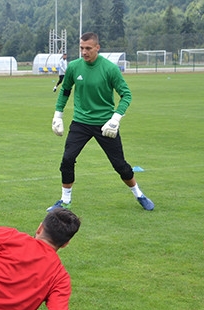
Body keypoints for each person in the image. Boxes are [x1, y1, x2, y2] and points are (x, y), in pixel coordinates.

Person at [49, 32, 154, 212]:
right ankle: (65, 201)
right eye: (81, 48)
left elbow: (126, 95)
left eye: (88, 48)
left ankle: (139, 194)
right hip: (80, 122)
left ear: (98, 48)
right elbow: (65, 90)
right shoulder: (74, 67)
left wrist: (115, 118)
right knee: (67, 159)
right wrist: (57, 115)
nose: (84, 52)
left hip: (105, 124)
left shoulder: (110, 69)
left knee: (120, 165)